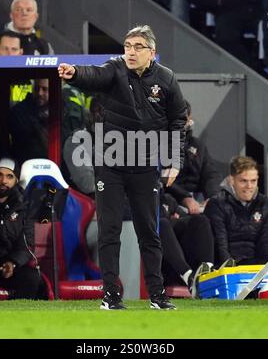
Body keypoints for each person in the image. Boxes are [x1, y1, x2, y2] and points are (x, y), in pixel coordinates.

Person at [58, 24, 187, 310]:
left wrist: (174, 160)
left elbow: (178, 120)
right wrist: (75, 73)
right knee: (110, 230)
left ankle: (157, 295)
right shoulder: (115, 69)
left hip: (143, 165)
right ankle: (110, 296)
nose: (130, 52)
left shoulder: (166, 80)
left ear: (152, 52)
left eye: (137, 47)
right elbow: (94, 74)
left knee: (149, 232)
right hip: (111, 165)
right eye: (127, 46)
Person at [0, 157, 41, 300]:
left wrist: (13, 262)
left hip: (6, 265)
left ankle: (19, 319)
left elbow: (27, 244)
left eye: (9, 176)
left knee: (31, 278)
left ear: (16, 180)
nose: (4, 181)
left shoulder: (24, 205)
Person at [204, 156, 268, 266]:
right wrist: (230, 268)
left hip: (256, 267)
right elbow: (220, 245)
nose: (249, 186)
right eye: (243, 181)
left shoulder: (265, 204)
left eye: (253, 181)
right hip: (227, 267)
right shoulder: (217, 203)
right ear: (232, 180)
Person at [166, 99, 222, 214]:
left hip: (196, 202)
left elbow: (210, 174)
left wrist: (212, 197)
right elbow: (162, 178)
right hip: (169, 200)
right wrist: (185, 198)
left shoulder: (197, 145)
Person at [159, 188, 214, 298]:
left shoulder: (168, 200)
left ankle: (207, 273)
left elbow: (185, 222)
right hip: (164, 267)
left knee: (200, 220)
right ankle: (189, 278)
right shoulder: (139, 200)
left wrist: (175, 222)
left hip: (184, 258)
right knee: (161, 224)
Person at [0, 30, 33, 107]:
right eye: (5, 49)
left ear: (21, 53)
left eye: (14, 49)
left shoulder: (27, 80)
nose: (9, 54)